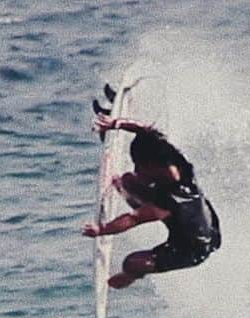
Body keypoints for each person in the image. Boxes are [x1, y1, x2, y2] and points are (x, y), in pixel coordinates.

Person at [82, 113, 221, 289]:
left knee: (132, 263)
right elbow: (144, 130)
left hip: (193, 248)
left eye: (140, 166)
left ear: (154, 166)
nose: (137, 170)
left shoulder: (172, 200)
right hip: (188, 218)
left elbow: (134, 219)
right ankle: (123, 188)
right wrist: (115, 124)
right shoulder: (172, 158)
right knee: (129, 180)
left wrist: (101, 230)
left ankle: (129, 277)